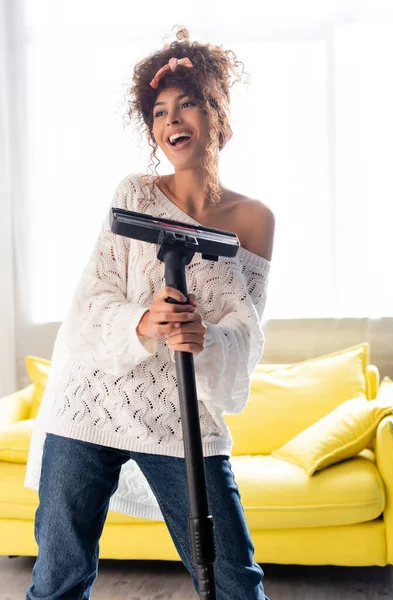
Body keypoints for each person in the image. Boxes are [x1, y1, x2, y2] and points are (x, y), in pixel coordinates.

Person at [25, 25, 275, 600]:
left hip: (182, 420)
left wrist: (205, 336)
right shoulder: (133, 193)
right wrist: (143, 322)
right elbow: (92, 301)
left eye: (187, 103)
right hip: (89, 404)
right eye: (160, 112)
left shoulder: (255, 219)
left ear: (219, 115)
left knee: (234, 580)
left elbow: (247, 329)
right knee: (59, 575)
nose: (172, 120)